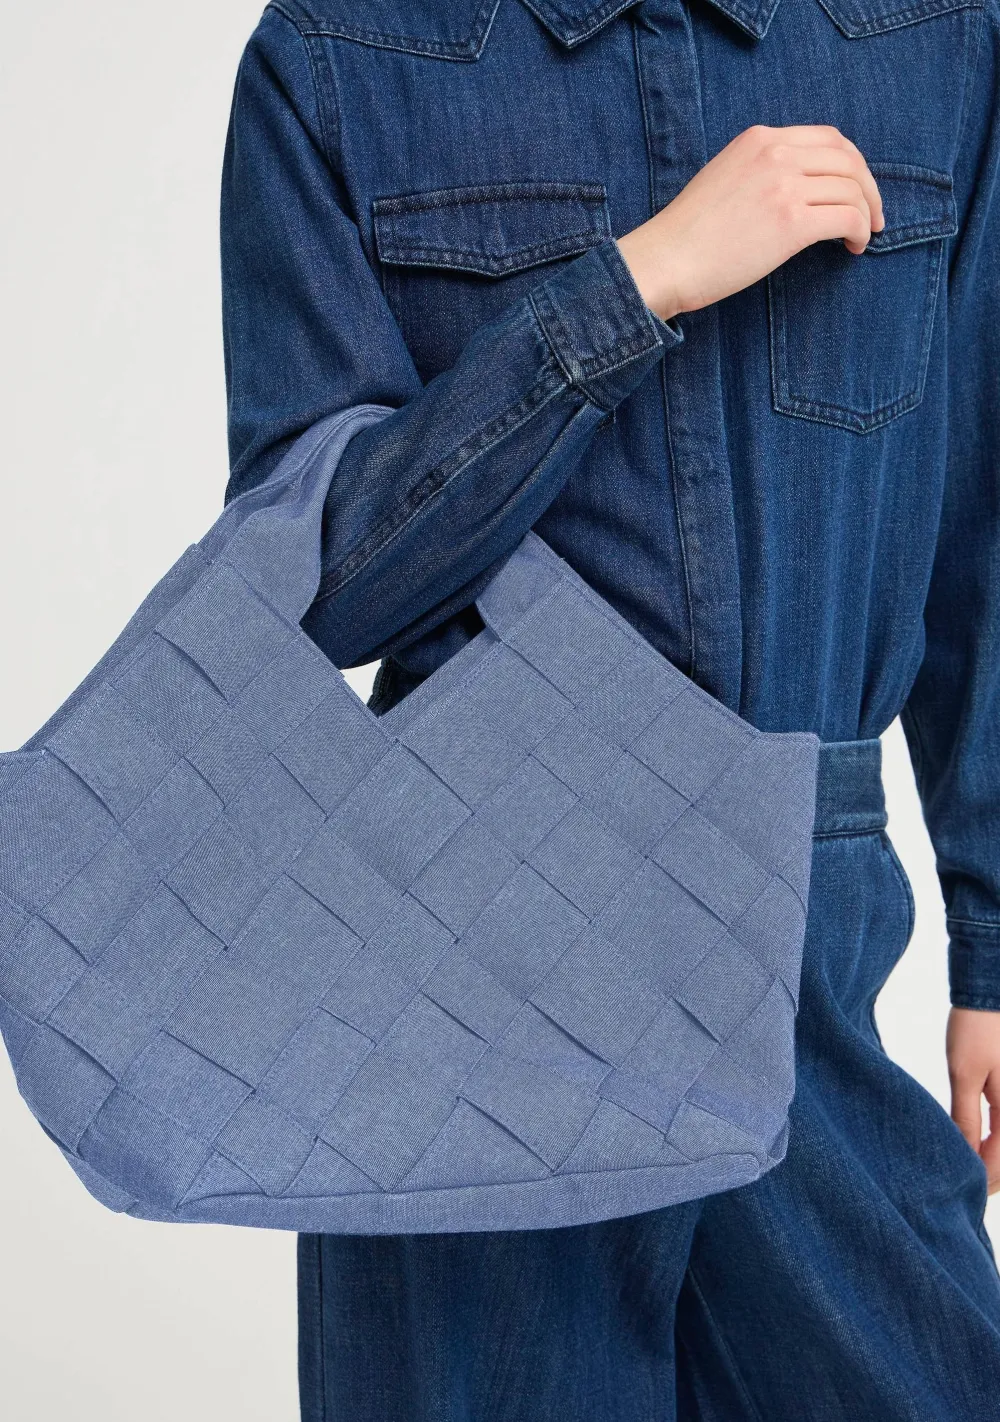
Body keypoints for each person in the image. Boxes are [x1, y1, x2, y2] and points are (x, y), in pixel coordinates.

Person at [219, 0, 1000, 1416]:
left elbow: (980, 530)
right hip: (464, 995)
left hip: (807, 967)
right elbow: (312, 587)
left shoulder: (934, 38)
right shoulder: (340, 54)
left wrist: (994, 940)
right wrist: (635, 288)